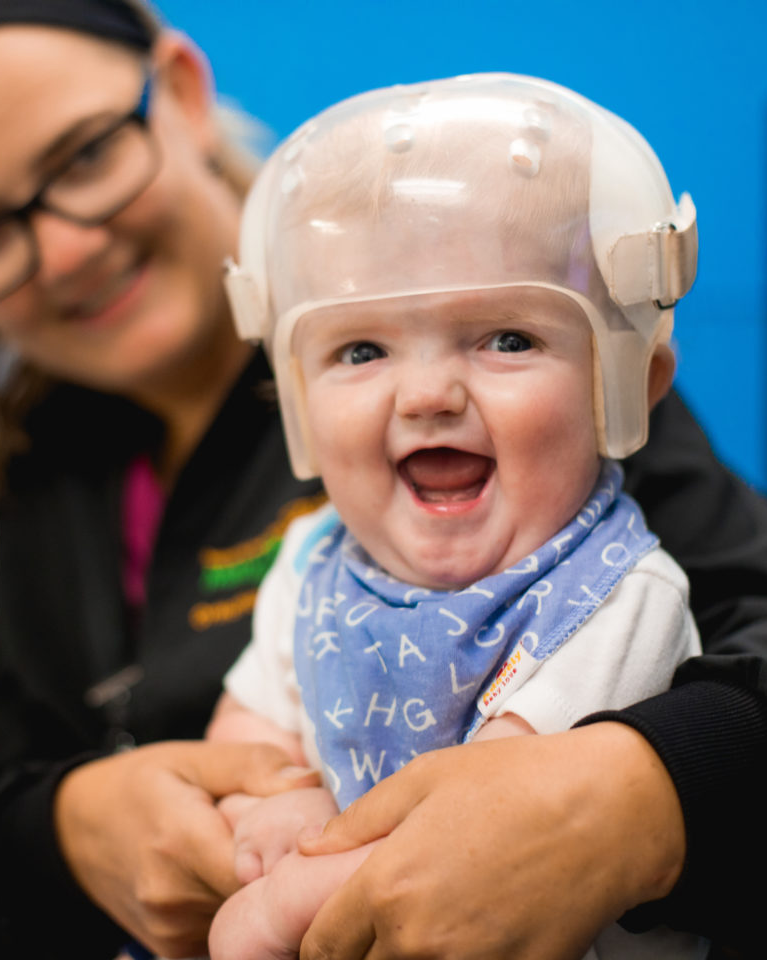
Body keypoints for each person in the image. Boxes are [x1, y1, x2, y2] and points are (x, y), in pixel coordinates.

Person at [0, 1, 767, 958]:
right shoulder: (51, 472)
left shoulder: (511, 366)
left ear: (174, 85)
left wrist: (634, 793)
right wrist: (69, 828)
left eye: (80, 158)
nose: (64, 248)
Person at [204, 73, 704, 960]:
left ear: (626, 386)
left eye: (507, 338)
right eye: (361, 349)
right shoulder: (311, 567)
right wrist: (270, 804)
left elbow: (479, 831)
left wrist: (271, 912)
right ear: (294, 401)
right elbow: (249, 731)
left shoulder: (617, 601)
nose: (429, 393)